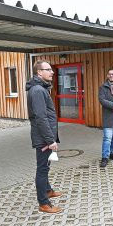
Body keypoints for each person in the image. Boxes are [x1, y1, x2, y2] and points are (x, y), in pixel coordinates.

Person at [26, 60, 63, 213]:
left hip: (45, 136)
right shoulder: (37, 91)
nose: (52, 72)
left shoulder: (41, 88)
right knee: (42, 169)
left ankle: (48, 190)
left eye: (51, 69)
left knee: (46, 166)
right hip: (43, 138)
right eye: (48, 69)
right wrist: (50, 140)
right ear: (39, 72)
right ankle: (43, 203)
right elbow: (41, 118)